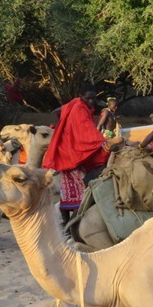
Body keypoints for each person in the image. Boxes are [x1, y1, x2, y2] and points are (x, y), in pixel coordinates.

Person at [43, 84, 123, 224]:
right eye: (88, 98)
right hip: (71, 152)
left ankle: (67, 223)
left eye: (93, 98)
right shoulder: (81, 109)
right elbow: (88, 131)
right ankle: (72, 223)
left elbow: (61, 109)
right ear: (81, 96)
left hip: (68, 150)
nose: (91, 101)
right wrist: (104, 143)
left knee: (67, 191)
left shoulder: (78, 103)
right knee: (78, 190)